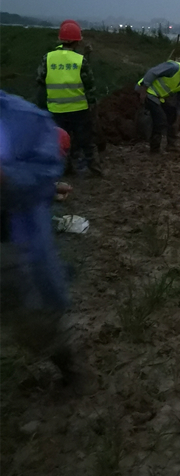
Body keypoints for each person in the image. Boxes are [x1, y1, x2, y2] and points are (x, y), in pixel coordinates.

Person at [0, 91, 95, 395]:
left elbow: (43, 173)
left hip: (8, 241)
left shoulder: (24, 118)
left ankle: (69, 370)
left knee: (30, 316)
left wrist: (6, 178)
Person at [36, 20, 102, 175]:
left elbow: (40, 80)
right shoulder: (80, 60)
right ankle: (95, 169)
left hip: (56, 109)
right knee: (85, 140)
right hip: (79, 109)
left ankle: (62, 169)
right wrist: (92, 104)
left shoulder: (48, 58)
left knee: (59, 141)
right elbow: (89, 86)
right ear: (77, 41)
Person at [136, 60, 180, 152]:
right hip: (147, 91)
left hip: (158, 97)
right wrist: (143, 91)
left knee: (171, 115)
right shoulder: (173, 67)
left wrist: (179, 114)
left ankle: (171, 145)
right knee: (160, 120)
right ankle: (155, 149)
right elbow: (152, 72)